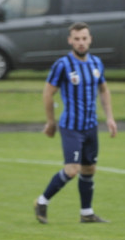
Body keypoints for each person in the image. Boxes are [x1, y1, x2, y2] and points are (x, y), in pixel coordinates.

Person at [33, 22, 118, 224]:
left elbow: (104, 90)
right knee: (72, 170)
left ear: (90, 40)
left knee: (89, 169)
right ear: (70, 40)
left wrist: (110, 118)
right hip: (71, 126)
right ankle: (42, 201)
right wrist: (50, 122)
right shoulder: (62, 65)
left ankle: (86, 213)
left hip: (90, 126)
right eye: (77, 39)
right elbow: (47, 93)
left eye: (84, 38)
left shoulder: (96, 63)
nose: (81, 42)